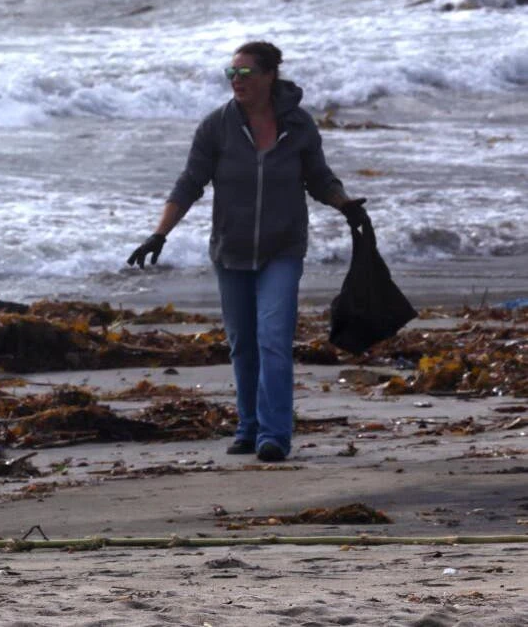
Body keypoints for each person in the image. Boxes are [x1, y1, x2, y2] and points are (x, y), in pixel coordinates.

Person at [126, 41, 367, 463]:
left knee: (273, 340)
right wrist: (158, 234)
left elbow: (319, 178)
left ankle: (274, 435)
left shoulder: (299, 126)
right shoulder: (216, 126)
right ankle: (249, 424)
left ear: (270, 75)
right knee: (243, 345)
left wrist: (344, 204)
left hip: (283, 249)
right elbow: (189, 184)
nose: (236, 81)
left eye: (245, 73)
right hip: (230, 251)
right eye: (231, 74)